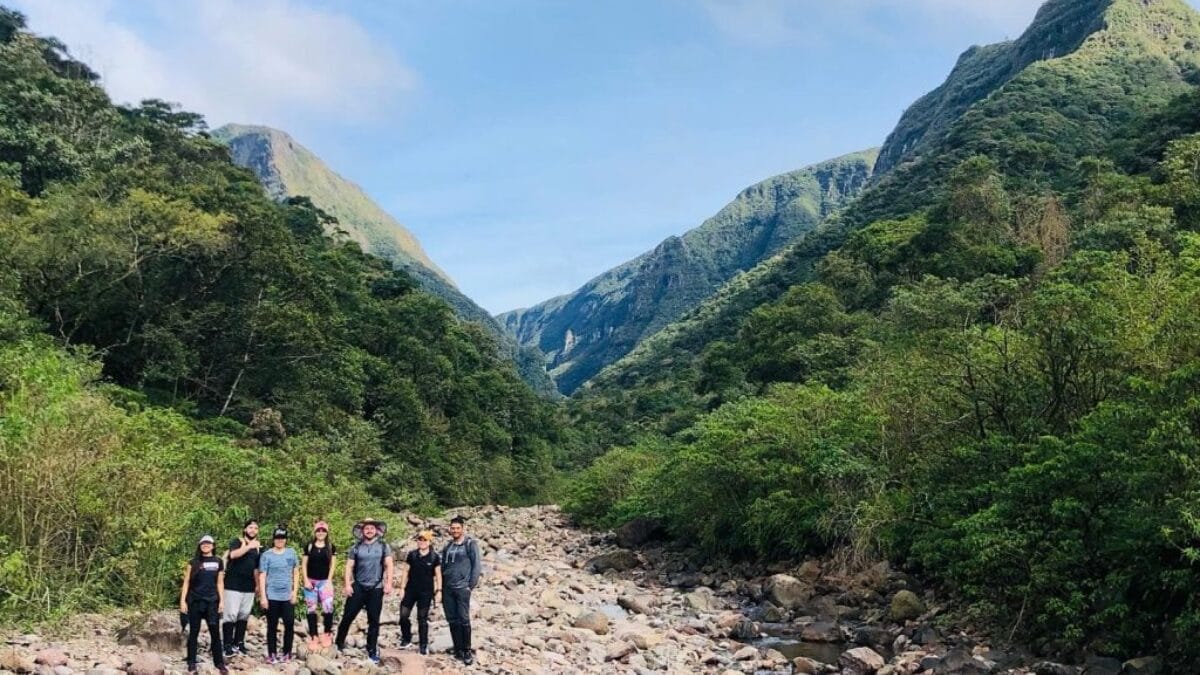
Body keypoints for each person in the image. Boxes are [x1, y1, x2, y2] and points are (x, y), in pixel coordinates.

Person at [335, 517, 394, 664]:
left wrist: (388, 583)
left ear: (376, 530)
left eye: (372, 528)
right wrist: (347, 584)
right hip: (358, 586)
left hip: (376, 587)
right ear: (362, 531)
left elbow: (389, 565)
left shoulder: (383, 546)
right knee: (347, 616)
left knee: (374, 621)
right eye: (366, 528)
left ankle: (372, 649)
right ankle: (339, 642)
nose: (369, 530)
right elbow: (349, 566)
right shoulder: (356, 547)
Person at [179, 535, 228, 674]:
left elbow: (220, 582)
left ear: (213, 546)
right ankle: (191, 662)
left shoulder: (218, 561)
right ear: (200, 546)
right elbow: (186, 582)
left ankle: (219, 663)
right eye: (203, 543)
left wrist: (222, 601)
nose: (205, 545)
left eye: (208, 543)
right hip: (195, 601)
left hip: (212, 602)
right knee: (193, 633)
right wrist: (183, 601)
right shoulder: (193, 562)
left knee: (215, 634)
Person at [440, 516, 481, 665]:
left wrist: (470, 585)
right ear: (450, 530)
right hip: (448, 588)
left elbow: (476, 566)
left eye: (458, 528)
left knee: (464, 619)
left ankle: (467, 650)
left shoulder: (470, 544)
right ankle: (458, 649)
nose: (455, 530)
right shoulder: (448, 546)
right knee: (452, 619)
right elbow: (442, 566)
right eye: (453, 528)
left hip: (462, 587)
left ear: (463, 529)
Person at [257, 527, 299, 663]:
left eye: (282, 538)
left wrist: (295, 592)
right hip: (272, 596)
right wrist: (263, 596)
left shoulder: (291, 553)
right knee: (272, 626)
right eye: (277, 538)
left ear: (285, 540)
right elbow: (262, 576)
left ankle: (287, 652)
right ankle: (272, 653)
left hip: (287, 596)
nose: (280, 540)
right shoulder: (267, 555)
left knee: (289, 624)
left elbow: (296, 573)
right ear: (273, 539)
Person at [398, 530, 441, 654]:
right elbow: (406, 571)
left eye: (425, 540)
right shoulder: (412, 555)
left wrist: (439, 590)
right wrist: (401, 588)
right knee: (403, 615)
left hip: (426, 592)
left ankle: (423, 644)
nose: (422, 542)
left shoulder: (434, 557)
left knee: (422, 618)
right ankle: (406, 638)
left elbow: (438, 575)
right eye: (420, 539)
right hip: (410, 590)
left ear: (429, 542)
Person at [222, 519, 261, 657]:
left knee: (243, 615)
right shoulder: (237, 541)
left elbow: (256, 569)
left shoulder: (258, 548)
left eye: (256, 528)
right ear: (245, 529)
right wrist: (248, 546)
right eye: (250, 527)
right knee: (230, 614)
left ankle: (239, 643)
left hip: (249, 586)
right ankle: (227, 644)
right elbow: (233, 555)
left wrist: (258, 586)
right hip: (233, 584)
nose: (253, 530)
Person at [301, 520, 337, 652]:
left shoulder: (331, 547)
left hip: (324, 581)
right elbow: (304, 564)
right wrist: (305, 579)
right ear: (315, 532)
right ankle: (313, 635)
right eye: (318, 530)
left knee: (328, 607)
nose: (321, 533)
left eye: (323, 530)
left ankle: (327, 633)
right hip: (311, 581)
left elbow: (332, 565)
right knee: (311, 609)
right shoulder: (309, 546)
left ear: (326, 532)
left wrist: (329, 581)